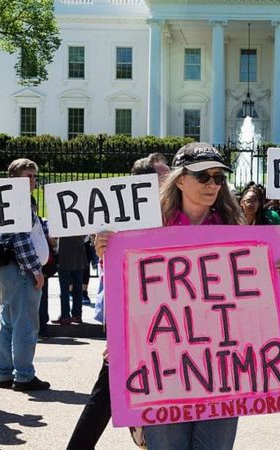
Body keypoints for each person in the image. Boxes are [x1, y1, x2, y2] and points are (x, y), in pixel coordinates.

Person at [92, 142, 280, 450]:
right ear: (180, 179)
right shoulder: (145, 229)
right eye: (203, 177)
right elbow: (127, 294)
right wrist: (106, 249)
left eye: (218, 178)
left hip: (222, 368)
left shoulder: (236, 232)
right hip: (165, 367)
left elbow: (256, 302)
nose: (212, 184)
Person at [66, 154, 169, 450]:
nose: (172, 180)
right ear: (145, 185)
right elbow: (115, 277)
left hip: (162, 318)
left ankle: (142, 430)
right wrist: (102, 250)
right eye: (165, 176)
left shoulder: (173, 216)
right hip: (130, 320)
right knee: (108, 388)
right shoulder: (120, 223)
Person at [0, 158, 51, 391]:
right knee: (25, 324)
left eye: (34, 176)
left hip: (8, 270)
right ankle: (24, 375)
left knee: (8, 322)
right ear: (13, 178)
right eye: (27, 176)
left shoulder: (9, 199)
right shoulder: (17, 202)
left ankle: (4, 373)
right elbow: (21, 239)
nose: (32, 181)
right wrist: (36, 270)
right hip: (20, 271)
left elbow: (30, 230)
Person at [55, 234, 88, 324]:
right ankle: (76, 315)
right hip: (79, 251)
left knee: (64, 288)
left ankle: (65, 315)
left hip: (65, 252)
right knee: (78, 287)